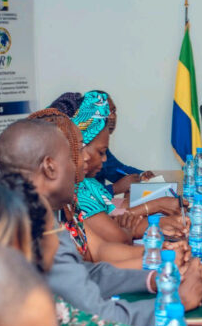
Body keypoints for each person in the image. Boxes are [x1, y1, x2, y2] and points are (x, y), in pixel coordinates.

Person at [0, 118, 202, 326]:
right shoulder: (33, 228)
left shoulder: (38, 212)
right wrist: (178, 302)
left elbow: (86, 273)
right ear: (50, 167)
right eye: (70, 157)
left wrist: (156, 279)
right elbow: (100, 318)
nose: (80, 162)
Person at [0, 173, 160, 326]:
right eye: (55, 230)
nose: (62, 240)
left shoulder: (25, 291)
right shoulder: (6, 318)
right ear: (26, 244)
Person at [49, 91, 185, 245]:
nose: (104, 159)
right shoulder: (76, 191)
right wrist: (153, 210)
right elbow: (115, 233)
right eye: (100, 152)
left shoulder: (88, 184)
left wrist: (156, 209)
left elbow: (113, 211)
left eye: (113, 111)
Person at [52, 91, 155, 195]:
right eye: (106, 112)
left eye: (113, 111)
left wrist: (141, 175)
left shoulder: (100, 150)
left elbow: (116, 170)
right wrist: (114, 189)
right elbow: (82, 196)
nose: (112, 117)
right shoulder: (71, 162)